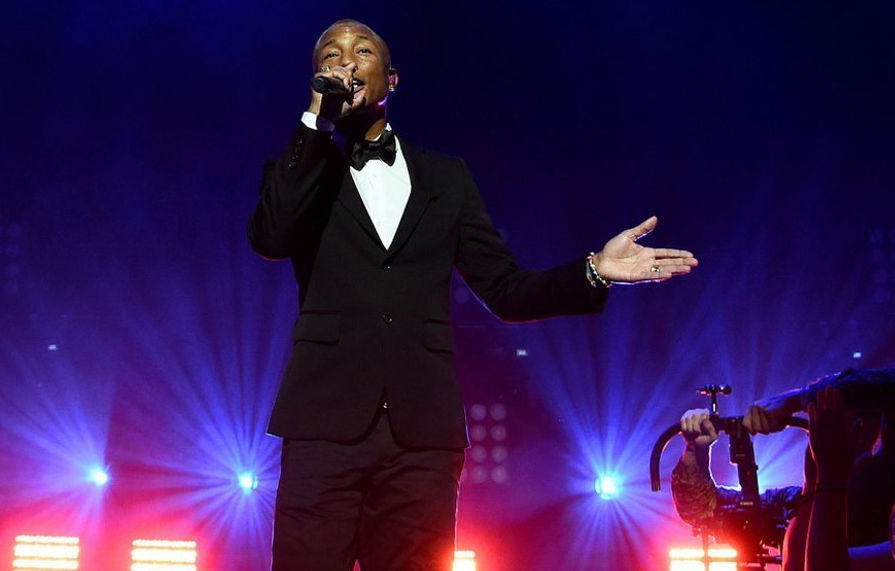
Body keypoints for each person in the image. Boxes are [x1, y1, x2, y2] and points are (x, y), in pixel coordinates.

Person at [249, 19, 698, 570]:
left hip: (423, 437)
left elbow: (506, 291)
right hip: (323, 428)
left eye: (361, 51)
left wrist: (594, 271)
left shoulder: (447, 177)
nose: (345, 61)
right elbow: (270, 237)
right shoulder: (302, 170)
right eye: (330, 54)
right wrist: (317, 120)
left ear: (391, 79)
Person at [671, 369, 895, 571]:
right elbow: (702, 511)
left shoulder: (886, 506)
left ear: (865, 429)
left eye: (828, 424)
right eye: (817, 427)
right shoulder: (794, 501)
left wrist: (796, 401)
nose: (817, 438)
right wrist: (695, 451)